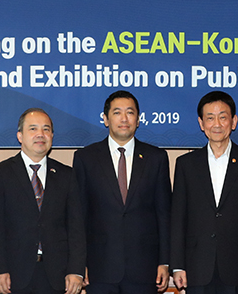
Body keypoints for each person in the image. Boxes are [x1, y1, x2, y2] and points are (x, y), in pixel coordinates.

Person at [72, 91, 171, 294]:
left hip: (144, 269)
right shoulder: (86, 158)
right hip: (99, 269)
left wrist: (165, 261)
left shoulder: (156, 158)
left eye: (130, 112)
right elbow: (78, 216)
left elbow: (164, 214)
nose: (124, 119)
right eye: (117, 112)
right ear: (106, 119)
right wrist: (78, 264)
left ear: (138, 119)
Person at [170, 91, 238, 294]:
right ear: (201, 123)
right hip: (196, 266)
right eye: (210, 118)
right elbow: (178, 217)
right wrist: (178, 265)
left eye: (223, 117)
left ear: (233, 121)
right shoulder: (186, 164)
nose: (217, 124)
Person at [0, 108, 86, 294]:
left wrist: (76, 271)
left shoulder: (67, 175)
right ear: (20, 136)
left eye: (46, 129)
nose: (41, 134)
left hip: (57, 276)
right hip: (13, 275)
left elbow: (76, 227)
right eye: (33, 129)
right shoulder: (0, 173)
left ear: (52, 136)